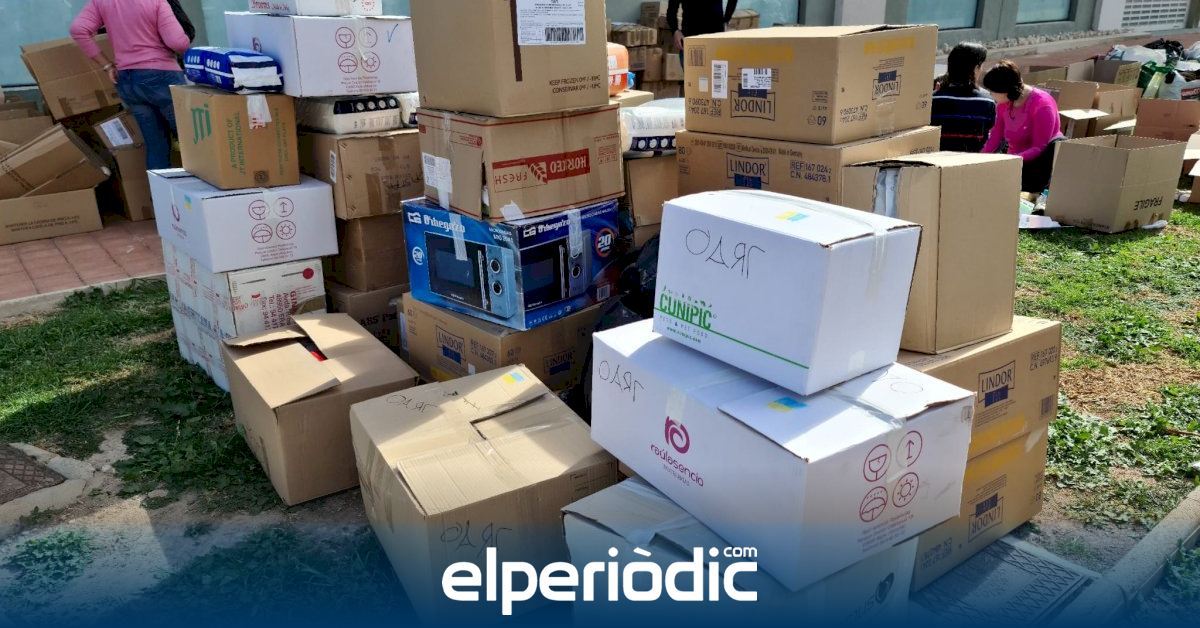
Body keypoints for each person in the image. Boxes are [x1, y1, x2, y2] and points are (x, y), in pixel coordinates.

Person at [70, 0, 191, 170]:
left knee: (155, 145)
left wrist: (107, 65)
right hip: (161, 76)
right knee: (192, 138)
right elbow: (178, 43)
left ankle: (158, 188)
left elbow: (78, 29)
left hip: (127, 80)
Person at [982, 61, 1064, 193]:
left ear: (1005, 90)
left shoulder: (1042, 105)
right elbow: (996, 136)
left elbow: (1038, 147)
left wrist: (1010, 161)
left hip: (1038, 165)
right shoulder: (1003, 104)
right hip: (1014, 161)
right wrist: (979, 157)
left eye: (992, 91)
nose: (990, 94)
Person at [931, 43, 996, 153]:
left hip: (936, 159)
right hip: (973, 160)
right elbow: (988, 136)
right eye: (981, 66)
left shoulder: (933, 100)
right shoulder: (987, 102)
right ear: (975, 69)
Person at [668, 1, 739, 55]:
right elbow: (671, 10)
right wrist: (675, 31)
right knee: (692, 70)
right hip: (690, 38)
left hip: (715, 36)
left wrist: (726, 19)